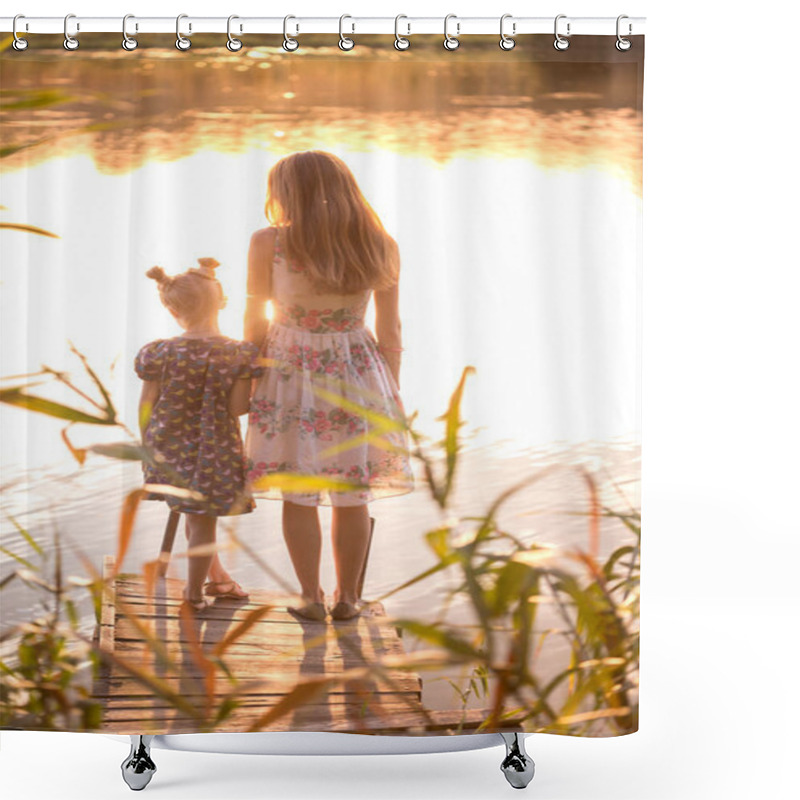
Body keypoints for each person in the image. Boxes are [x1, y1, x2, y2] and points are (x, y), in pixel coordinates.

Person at [244, 151, 414, 622]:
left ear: (288, 192)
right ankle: (348, 599)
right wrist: (390, 394)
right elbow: (391, 330)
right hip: (358, 373)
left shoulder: (269, 243)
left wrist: (247, 373)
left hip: (288, 371)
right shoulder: (379, 243)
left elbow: (254, 319)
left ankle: (310, 598)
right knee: (351, 491)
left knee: (299, 489)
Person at [135, 258, 264, 613]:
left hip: (167, 446)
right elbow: (237, 409)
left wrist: (147, 446)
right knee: (201, 521)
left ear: (172, 308)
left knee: (196, 518)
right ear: (221, 302)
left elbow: (147, 403)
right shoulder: (237, 352)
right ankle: (193, 595)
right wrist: (245, 380)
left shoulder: (160, 351)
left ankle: (218, 580)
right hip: (213, 449)